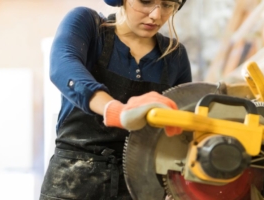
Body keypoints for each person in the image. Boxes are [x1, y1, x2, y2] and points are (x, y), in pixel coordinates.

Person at [40, 0, 191, 199]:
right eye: (146, 1)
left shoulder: (175, 56)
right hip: (71, 182)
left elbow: (178, 135)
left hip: (139, 187)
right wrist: (116, 111)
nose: (156, 15)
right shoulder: (88, 25)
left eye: (167, 4)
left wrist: (177, 186)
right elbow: (63, 66)